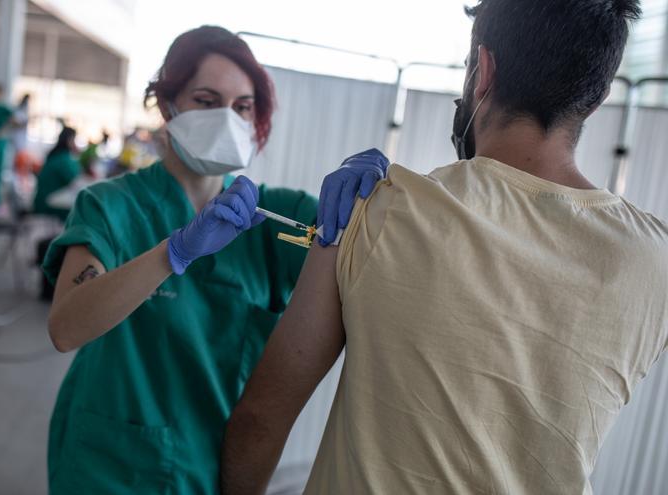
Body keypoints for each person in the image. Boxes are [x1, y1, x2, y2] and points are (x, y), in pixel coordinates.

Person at [221, 1, 668, 494]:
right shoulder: (655, 259)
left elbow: (260, 422)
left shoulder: (375, 209)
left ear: (484, 71)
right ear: (598, 97)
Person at [42, 26, 389, 494]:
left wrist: (381, 197)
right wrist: (176, 251)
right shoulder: (110, 206)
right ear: (168, 107)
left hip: (213, 466)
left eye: (242, 106)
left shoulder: (277, 218)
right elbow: (66, 327)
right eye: (206, 100)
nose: (227, 118)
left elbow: (378, 255)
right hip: (109, 464)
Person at [33, 126, 80, 222]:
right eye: (75, 140)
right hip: (48, 205)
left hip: (41, 201)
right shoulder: (64, 159)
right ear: (69, 140)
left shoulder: (55, 155)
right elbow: (76, 180)